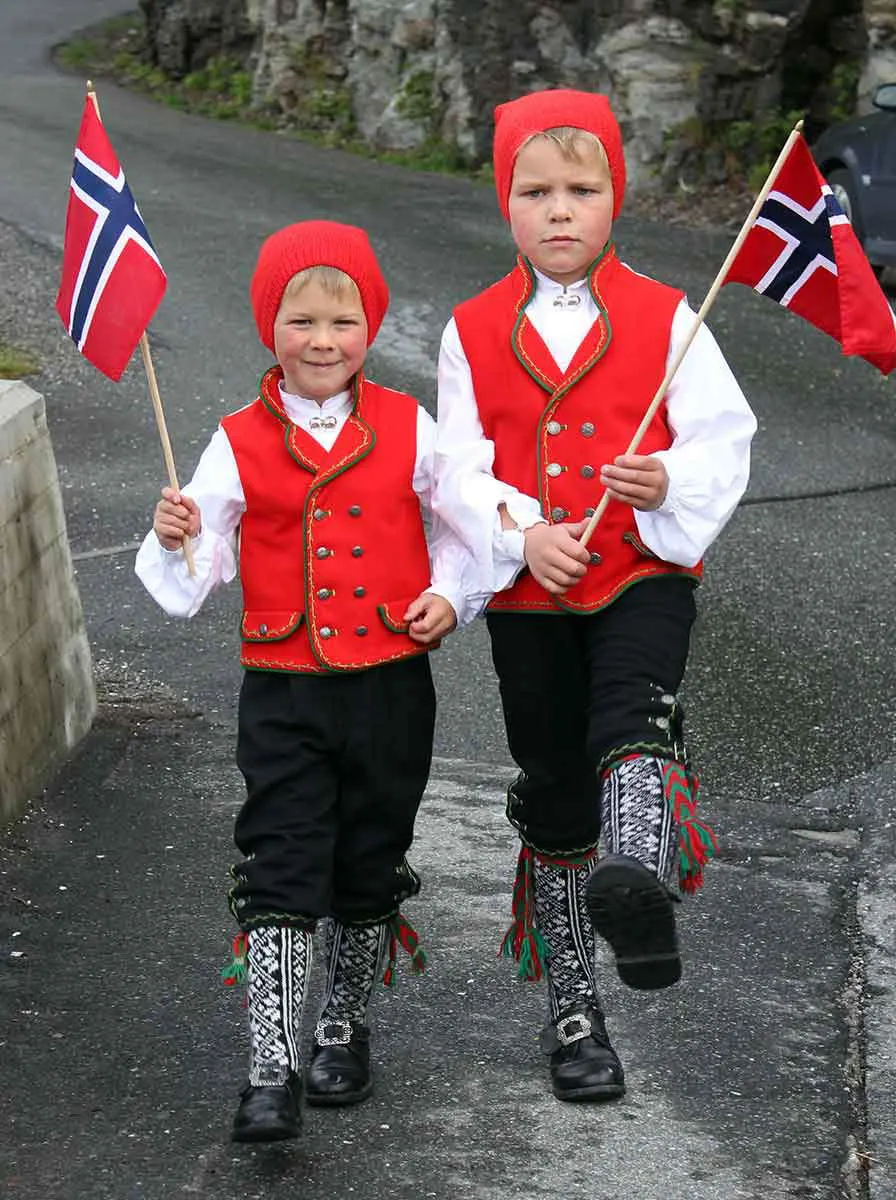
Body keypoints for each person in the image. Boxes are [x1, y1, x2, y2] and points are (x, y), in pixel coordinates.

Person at [433, 89, 757, 1103]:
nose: (559, 210)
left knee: (632, 713)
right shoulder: (469, 329)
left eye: (582, 188)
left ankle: (639, 876)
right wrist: (521, 532)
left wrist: (664, 484)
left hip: (642, 571)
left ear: (615, 197)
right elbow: (452, 467)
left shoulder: (670, 318)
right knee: (554, 784)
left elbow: (719, 439)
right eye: (536, 192)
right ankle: (574, 1004)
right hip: (529, 596)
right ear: (505, 203)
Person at [136, 220, 483, 1143]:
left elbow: (469, 529)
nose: (321, 340)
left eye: (342, 319)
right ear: (269, 325)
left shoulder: (412, 427)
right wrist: (180, 537)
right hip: (283, 689)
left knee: (369, 859)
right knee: (281, 863)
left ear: (371, 325)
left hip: (391, 686)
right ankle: (271, 1066)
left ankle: (344, 1025)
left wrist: (450, 595)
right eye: (300, 321)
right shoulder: (235, 437)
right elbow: (196, 565)